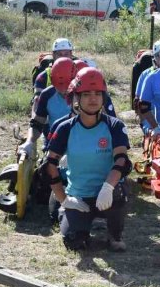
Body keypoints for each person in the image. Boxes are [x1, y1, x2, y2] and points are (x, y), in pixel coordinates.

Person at [42, 68, 131, 252]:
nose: (93, 99)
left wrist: (107, 187)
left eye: (97, 94)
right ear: (76, 98)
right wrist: (64, 199)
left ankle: (115, 235)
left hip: (106, 192)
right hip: (78, 195)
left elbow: (121, 160)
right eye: (86, 94)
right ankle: (66, 212)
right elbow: (49, 165)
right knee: (74, 244)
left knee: (118, 192)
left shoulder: (114, 126)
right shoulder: (65, 128)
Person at [19, 57, 75, 158]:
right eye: (59, 87)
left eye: (67, 87)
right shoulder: (47, 94)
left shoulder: (86, 95)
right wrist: (29, 141)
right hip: (55, 146)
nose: (63, 91)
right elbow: (37, 124)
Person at [134, 41, 160, 136]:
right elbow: (139, 103)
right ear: (154, 57)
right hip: (152, 123)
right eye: (159, 56)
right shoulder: (146, 75)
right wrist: (147, 126)